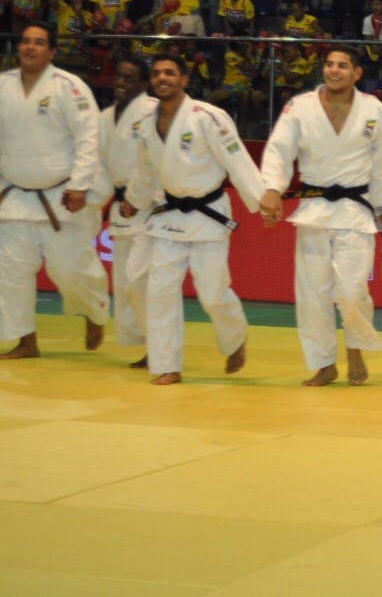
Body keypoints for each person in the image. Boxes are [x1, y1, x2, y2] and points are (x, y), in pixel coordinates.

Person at [259, 46, 382, 386]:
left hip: (355, 209)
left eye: (342, 66)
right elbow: (279, 150)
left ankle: (355, 346)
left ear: (356, 73)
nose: (334, 70)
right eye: (329, 65)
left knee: (352, 290)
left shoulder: (373, 109)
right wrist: (272, 188)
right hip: (314, 210)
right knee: (312, 293)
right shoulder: (300, 107)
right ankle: (324, 362)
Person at [120, 54, 264, 384]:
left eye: (169, 73)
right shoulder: (145, 123)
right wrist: (135, 199)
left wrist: (261, 199)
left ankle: (234, 338)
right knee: (159, 291)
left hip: (207, 216)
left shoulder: (207, 117)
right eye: (156, 73)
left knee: (212, 293)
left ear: (185, 79)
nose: (162, 78)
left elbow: (236, 157)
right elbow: (145, 170)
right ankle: (166, 365)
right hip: (168, 217)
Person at [0, 21, 110, 360]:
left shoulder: (69, 87)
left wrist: (79, 186)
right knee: (12, 270)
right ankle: (25, 340)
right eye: (26, 41)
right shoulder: (2, 85)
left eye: (39, 42)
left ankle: (94, 311)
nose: (30, 47)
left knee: (69, 269)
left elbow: (89, 138)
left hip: (62, 196)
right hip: (15, 195)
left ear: (52, 51)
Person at [99, 56, 158, 366]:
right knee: (124, 281)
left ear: (143, 84)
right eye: (118, 76)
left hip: (148, 205)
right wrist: (92, 199)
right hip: (120, 208)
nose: (121, 83)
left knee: (141, 279)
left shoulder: (152, 112)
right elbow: (100, 165)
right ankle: (148, 344)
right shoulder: (106, 116)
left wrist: (144, 196)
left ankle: (159, 346)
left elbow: (157, 161)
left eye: (129, 78)